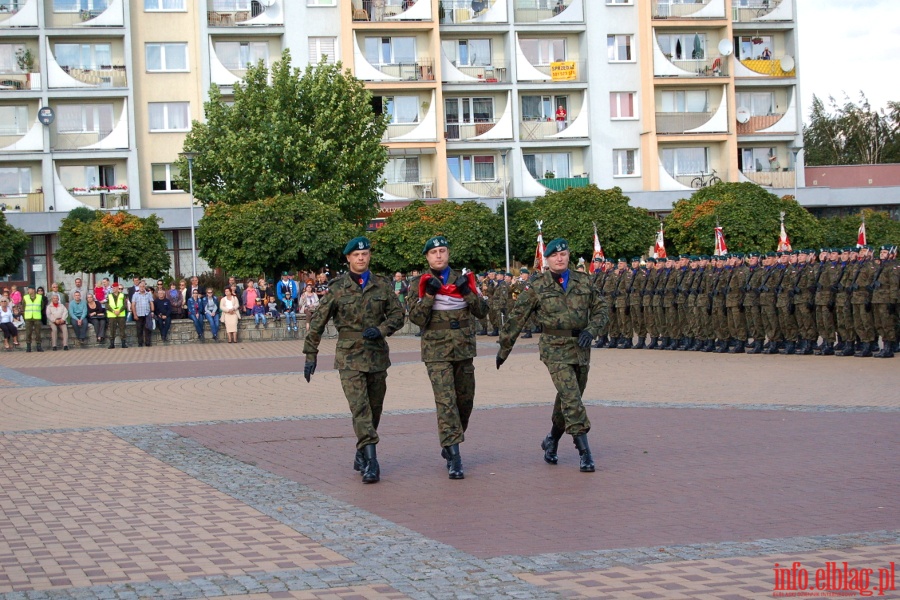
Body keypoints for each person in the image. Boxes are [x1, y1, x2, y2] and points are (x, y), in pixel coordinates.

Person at [497, 238, 609, 472]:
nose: (560, 258)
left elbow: (601, 308)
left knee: (568, 398)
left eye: (564, 254)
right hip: (554, 348)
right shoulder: (537, 286)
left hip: (580, 346)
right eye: (554, 256)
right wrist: (504, 347)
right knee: (572, 398)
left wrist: (592, 330)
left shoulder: (584, 281)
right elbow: (518, 316)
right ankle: (585, 452)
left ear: (568, 256)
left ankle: (552, 440)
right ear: (546, 260)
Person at [303, 236, 405, 484]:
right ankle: (372, 461)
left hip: (377, 355)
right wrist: (310, 354)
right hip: (349, 357)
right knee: (360, 408)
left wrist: (381, 330)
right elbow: (317, 322)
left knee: (375, 409)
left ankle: (361, 451)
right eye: (356, 255)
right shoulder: (337, 288)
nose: (361, 258)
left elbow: (398, 315)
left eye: (365, 254)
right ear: (348, 258)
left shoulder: (382, 285)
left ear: (369, 256)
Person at [408, 235, 488, 480]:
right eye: (434, 252)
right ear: (427, 257)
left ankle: (449, 440)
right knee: (446, 402)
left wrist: (468, 292)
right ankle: (454, 455)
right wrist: (430, 296)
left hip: (463, 350)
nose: (439, 255)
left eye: (443, 251)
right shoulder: (419, 283)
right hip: (436, 352)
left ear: (448, 254)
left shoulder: (464, 280)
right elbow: (416, 318)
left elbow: (483, 312)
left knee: (465, 401)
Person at [131, 281, 155, 347]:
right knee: (139, 330)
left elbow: (151, 303)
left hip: (147, 314)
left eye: (143, 286)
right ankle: (140, 343)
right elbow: (133, 305)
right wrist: (135, 314)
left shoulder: (149, 294)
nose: (142, 288)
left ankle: (147, 343)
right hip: (138, 315)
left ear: (145, 287)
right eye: (140, 286)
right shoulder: (135, 294)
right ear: (139, 287)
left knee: (148, 329)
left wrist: (152, 312)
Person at [106, 282, 128, 348]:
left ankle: (123, 343)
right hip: (112, 315)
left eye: (115, 287)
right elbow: (107, 305)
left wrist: (119, 311)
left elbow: (125, 305)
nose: (114, 289)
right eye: (113, 287)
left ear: (118, 288)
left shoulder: (122, 295)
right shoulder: (109, 295)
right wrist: (113, 311)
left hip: (121, 314)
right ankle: (112, 344)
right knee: (112, 330)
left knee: (122, 329)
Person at [23, 286, 43, 352]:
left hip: (37, 317)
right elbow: (23, 306)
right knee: (28, 333)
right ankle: (28, 347)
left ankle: (39, 346)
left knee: (38, 333)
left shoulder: (39, 297)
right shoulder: (25, 297)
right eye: (28, 289)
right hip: (28, 317)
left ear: (33, 290)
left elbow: (42, 306)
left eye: (30, 289)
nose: (28, 290)